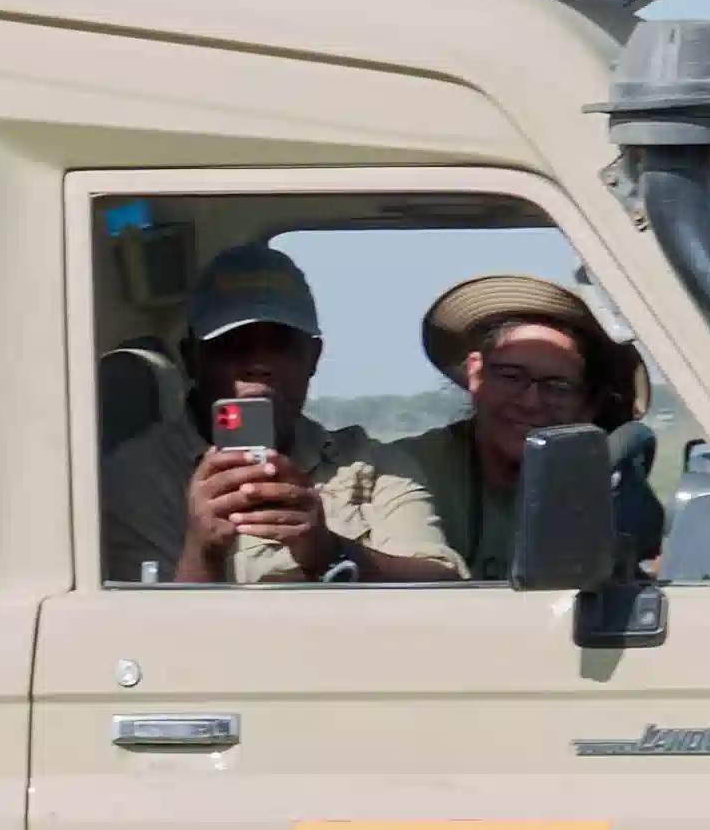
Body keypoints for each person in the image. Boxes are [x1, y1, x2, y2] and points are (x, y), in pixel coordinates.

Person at [99, 242, 459, 586]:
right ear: (192, 358)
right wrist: (203, 551)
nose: (259, 364)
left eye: (281, 345)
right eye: (233, 345)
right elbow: (145, 636)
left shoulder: (372, 468)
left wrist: (329, 552)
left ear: (313, 358)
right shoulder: (135, 477)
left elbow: (444, 588)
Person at [369, 271, 631, 580]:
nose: (531, 402)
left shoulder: (600, 486)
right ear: (476, 375)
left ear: (590, 404)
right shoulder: (407, 470)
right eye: (511, 376)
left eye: (557, 386)